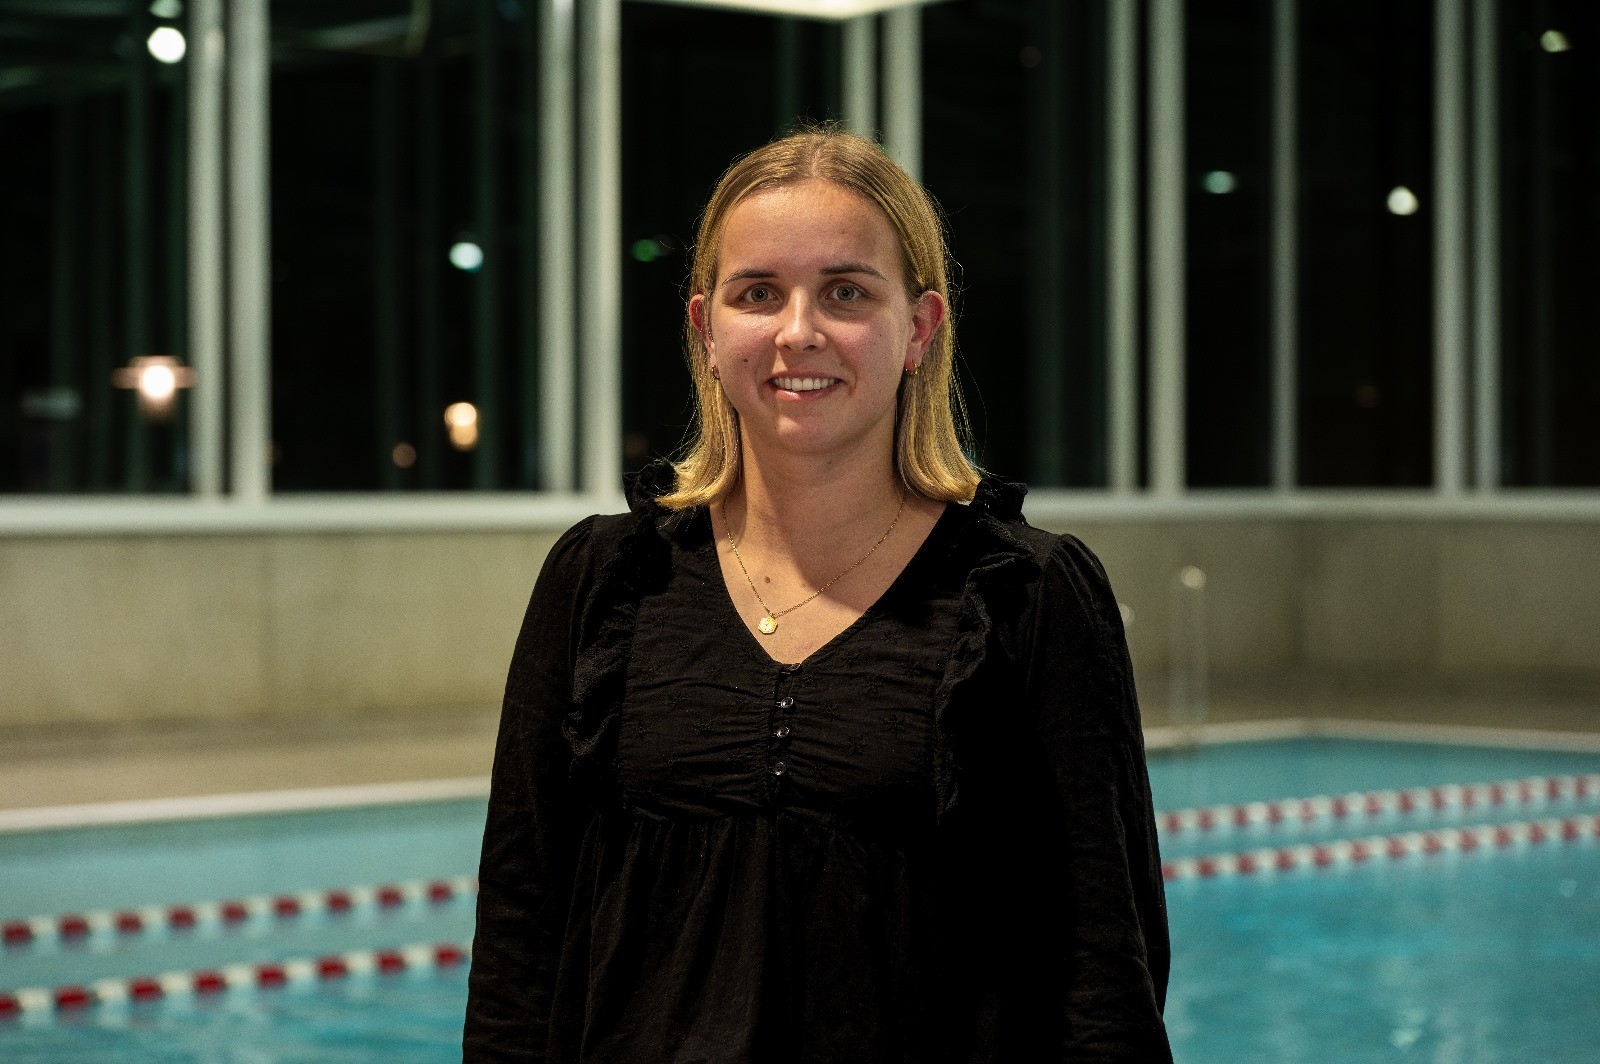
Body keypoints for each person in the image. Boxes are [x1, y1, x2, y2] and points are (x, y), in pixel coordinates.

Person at [464, 126, 1172, 1063]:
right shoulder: (605, 581)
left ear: (919, 329)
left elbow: (1104, 970)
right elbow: (522, 934)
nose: (799, 332)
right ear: (706, 331)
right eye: (758, 293)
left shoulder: (1027, 596)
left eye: (846, 291)